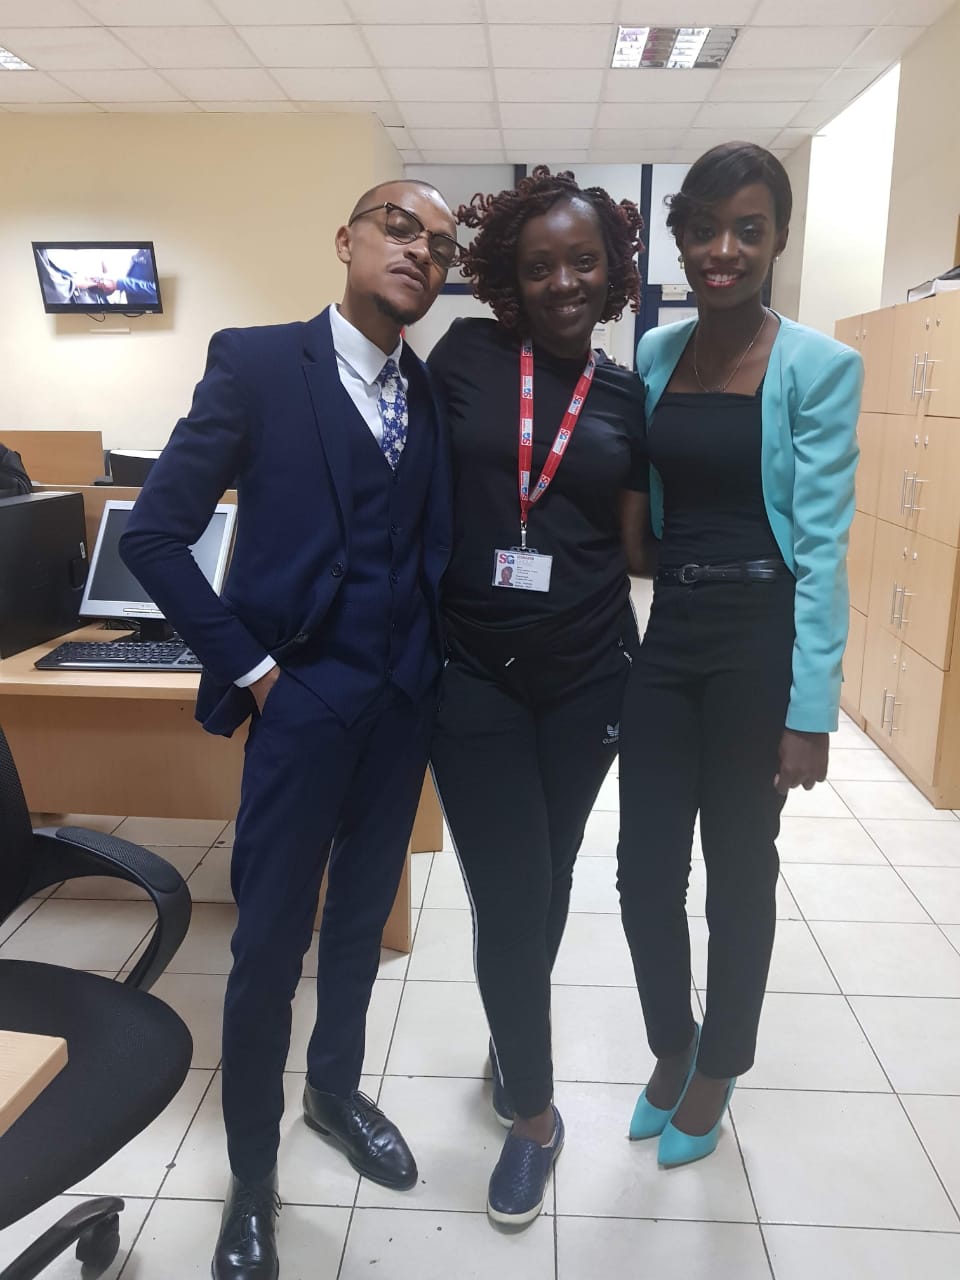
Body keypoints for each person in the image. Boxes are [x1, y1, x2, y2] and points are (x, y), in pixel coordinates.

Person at [120, 179, 458, 1279]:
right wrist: (256, 670)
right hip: (301, 704)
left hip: (401, 707)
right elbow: (155, 537)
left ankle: (335, 1093)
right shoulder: (259, 365)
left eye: (441, 245)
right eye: (400, 228)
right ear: (347, 239)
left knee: (358, 923)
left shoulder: (427, 391)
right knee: (268, 945)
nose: (420, 252)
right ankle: (253, 1175)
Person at [616, 142, 862, 1168]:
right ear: (679, 241)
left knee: (738, 869)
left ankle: (720, 1063)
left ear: (777, 240)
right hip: (671, 626)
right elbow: (640, 499)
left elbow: (824, 548)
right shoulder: (655, 355)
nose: (724, 249)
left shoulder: (819, 366)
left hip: (761, 638)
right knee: (641, 869)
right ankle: (671, 1043)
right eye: (706, 229)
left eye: (748, 230)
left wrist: (812, 712)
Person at [428, 166, 646, 1225]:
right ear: (508, 279)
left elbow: (638, 544)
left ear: (614, 272)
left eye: (583, 261)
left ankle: (511, 1036)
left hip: (589, 673)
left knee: (546, 878)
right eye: (540, 265)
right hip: (471, 670)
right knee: (509, 891)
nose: (564, 281)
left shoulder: (627, 396)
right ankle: (536, 1115)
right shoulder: (466, 356)